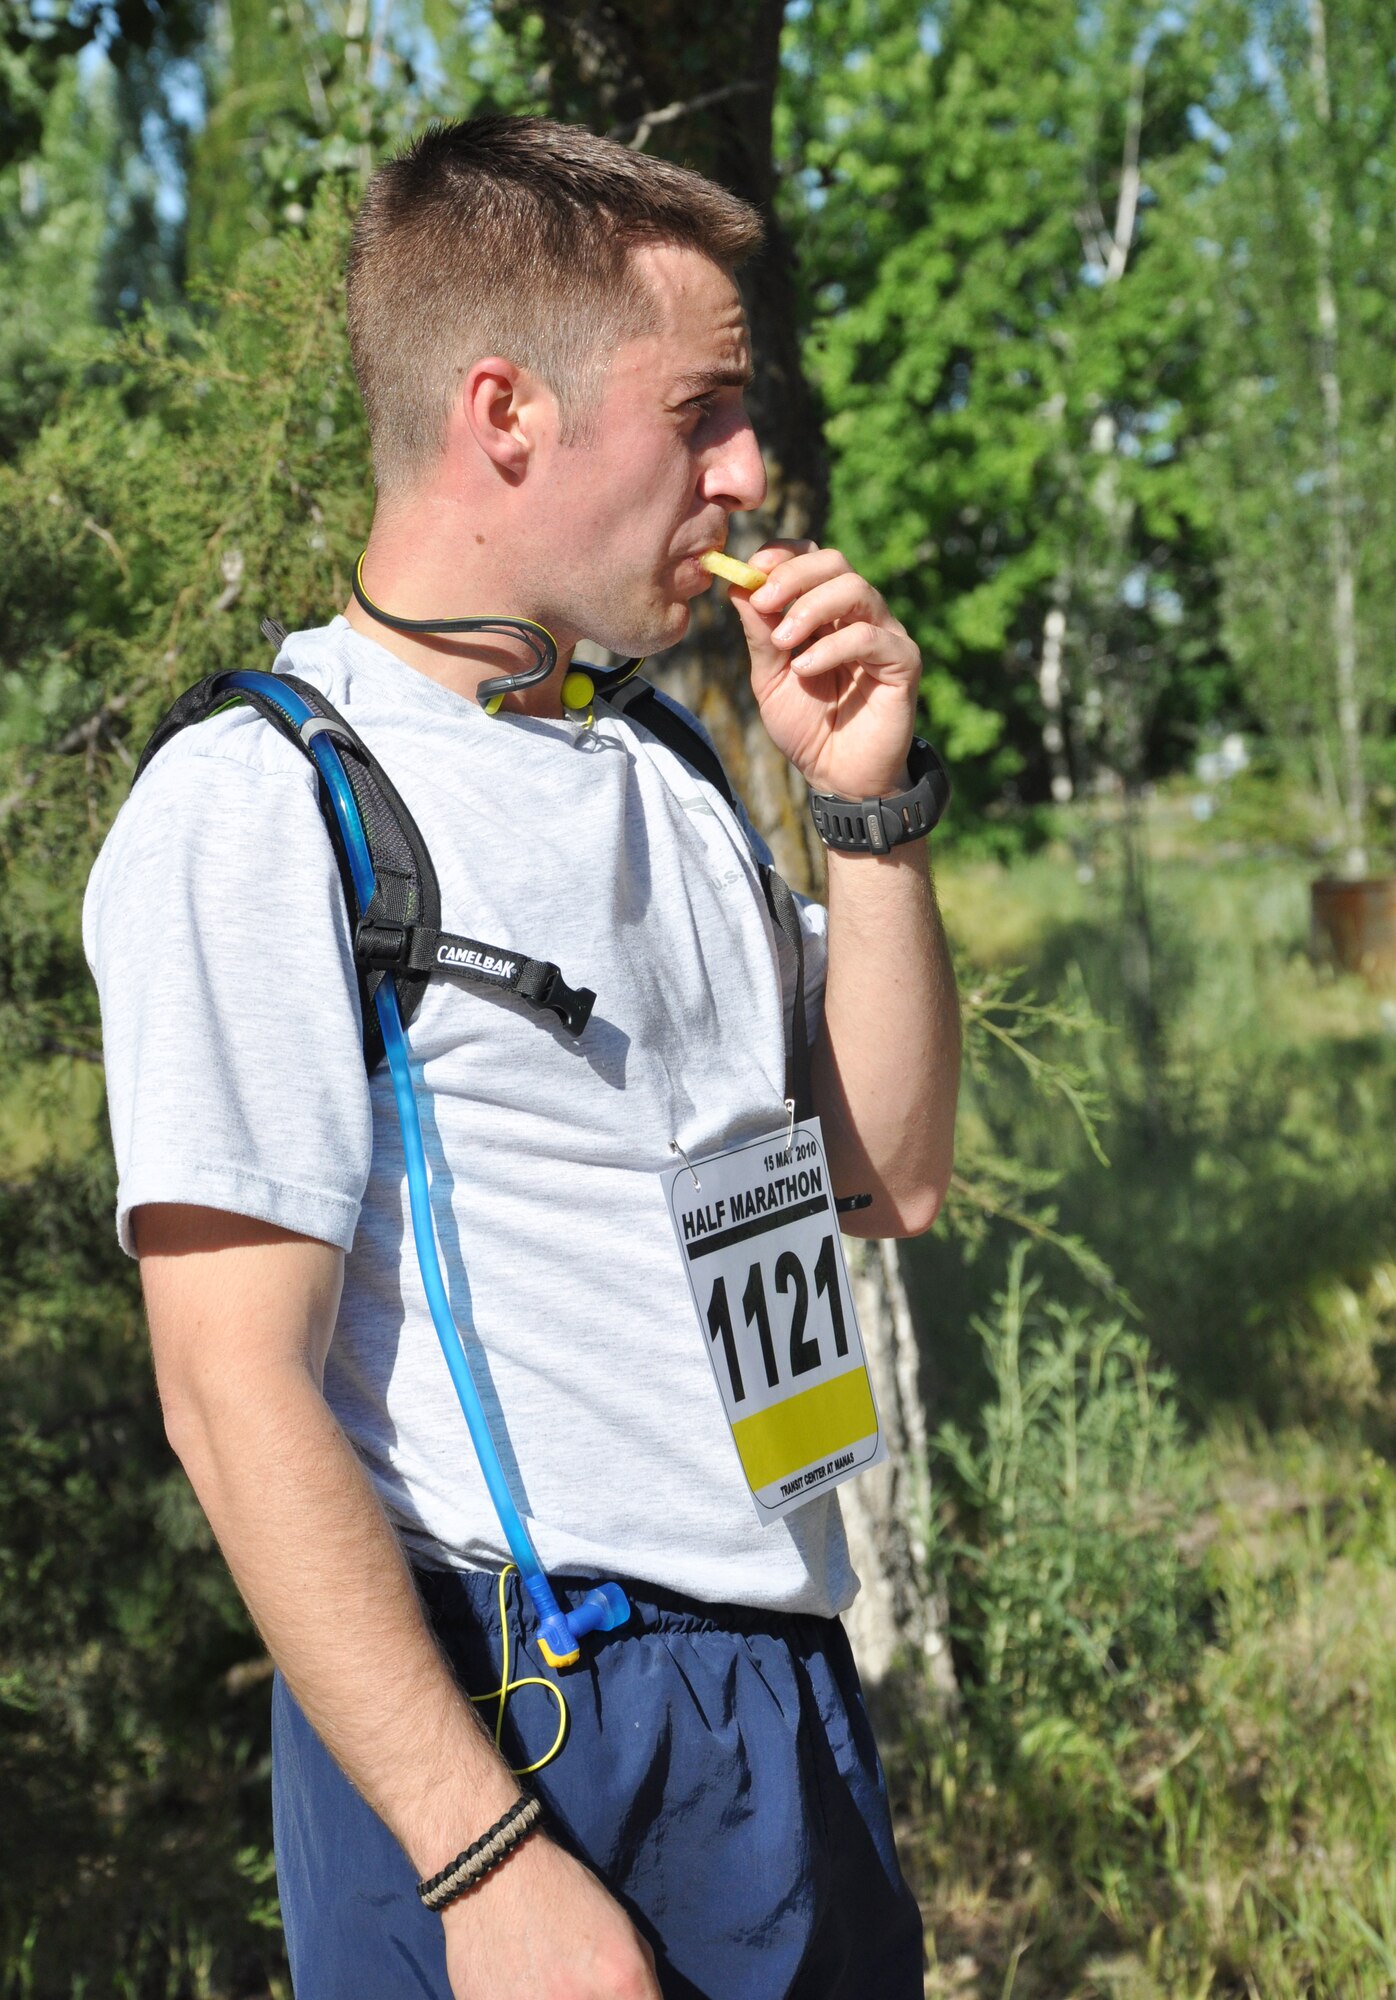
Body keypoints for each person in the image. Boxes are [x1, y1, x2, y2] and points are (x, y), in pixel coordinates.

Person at [84, 116, 960, 2000]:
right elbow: (233, 1395)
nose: (753, 468)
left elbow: (888, 1177)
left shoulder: (665, 766)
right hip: (526, 1713)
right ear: (507, 410)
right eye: (705, 409)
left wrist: (867, 815)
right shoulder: (266, 801)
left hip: (782, 1682)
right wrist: (481, 1861)